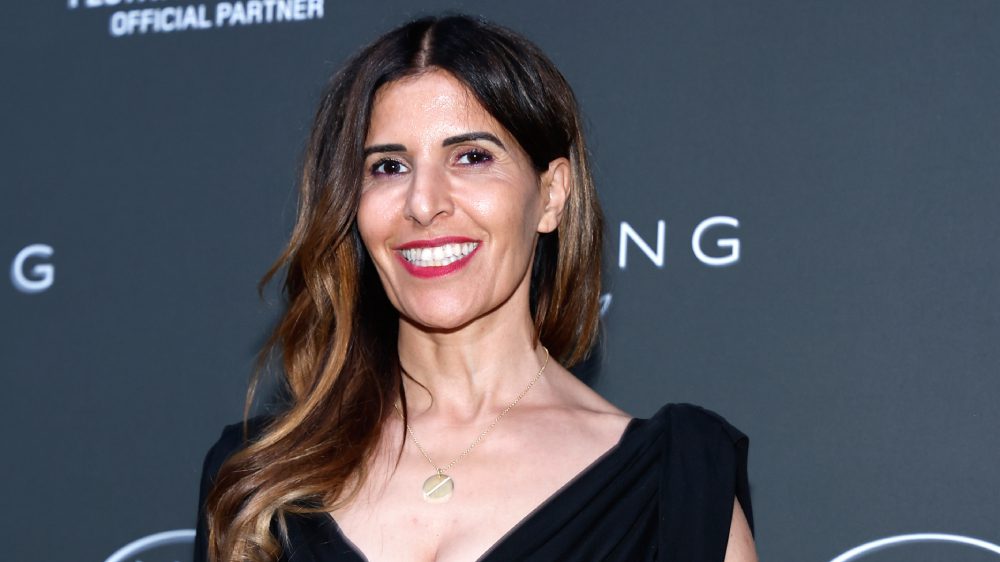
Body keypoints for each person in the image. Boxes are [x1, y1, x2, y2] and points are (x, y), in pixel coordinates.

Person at [194, 14, 757, 562]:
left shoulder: (672, 485)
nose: (423, 203)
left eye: (471, 157)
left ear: (552, 194)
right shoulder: (258, 478)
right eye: (389, 167)